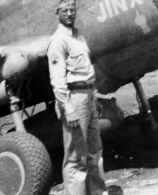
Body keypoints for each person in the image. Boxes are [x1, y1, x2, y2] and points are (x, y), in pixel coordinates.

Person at [47, 0, 109, 194]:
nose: (69, 13)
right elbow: (57, 80)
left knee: (95, 152)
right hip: (74, 100)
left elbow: (86, 72)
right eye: (65, 10)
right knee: (75, 158)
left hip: (89, 96)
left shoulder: (79, 38)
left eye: (72, 9)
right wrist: (68, 107)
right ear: (57, 13)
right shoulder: (58, 41)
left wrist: (95, 97)